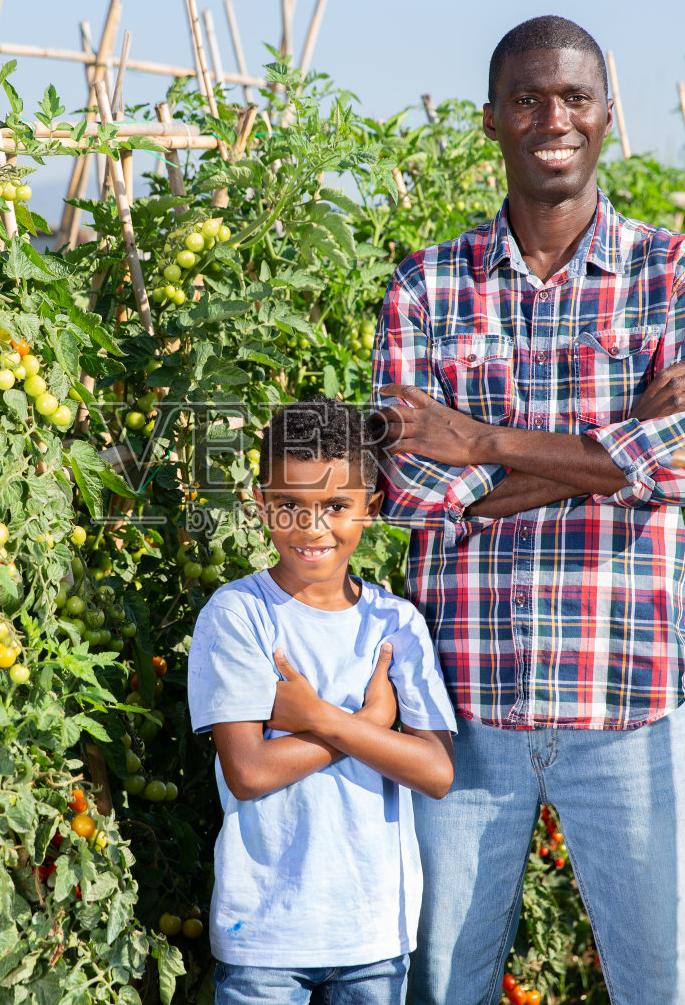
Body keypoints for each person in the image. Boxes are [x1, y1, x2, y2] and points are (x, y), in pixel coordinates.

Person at [370, 14, 685, 1004]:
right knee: (438, 986)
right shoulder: (423, 287)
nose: (551, 117)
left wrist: (479, 442)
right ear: (490, 120)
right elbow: (409, 490)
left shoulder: (679, 275)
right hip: (458, 708)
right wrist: (619, 447)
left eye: (574, 96)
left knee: (668, 986)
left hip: (629, 697)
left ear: (607, 115)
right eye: (527, 97)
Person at [188, 396, 459, 1005]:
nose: (312, 528)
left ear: (372, 509)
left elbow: (436, 773)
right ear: (261, 505)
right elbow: (250, 772)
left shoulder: (397, 623)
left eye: (336, 506)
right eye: (289, 506)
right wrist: (368, 726)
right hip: (263, 935)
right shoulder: (238, 616)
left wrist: (319, 719)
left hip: (374, 934)